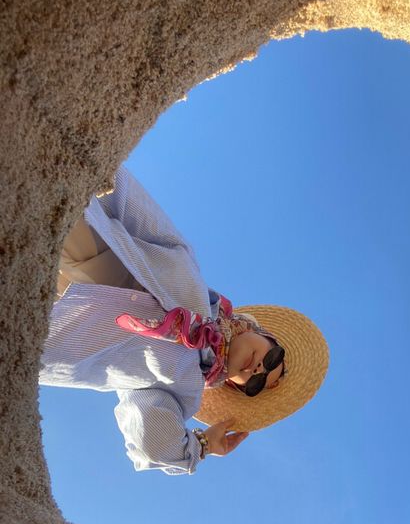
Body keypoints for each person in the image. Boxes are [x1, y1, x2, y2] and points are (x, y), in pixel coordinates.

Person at [40, 166, 329, 475]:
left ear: (234, 385)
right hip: (84, 247)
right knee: (52, 195)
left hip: (49, 334)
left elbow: (151, 440)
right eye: (273, 358)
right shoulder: (190, 276)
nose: (260, 369)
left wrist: (201, 445)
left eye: (257, 383)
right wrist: (99, 163)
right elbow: (137, 211)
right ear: (262, 332)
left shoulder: (182, 388)